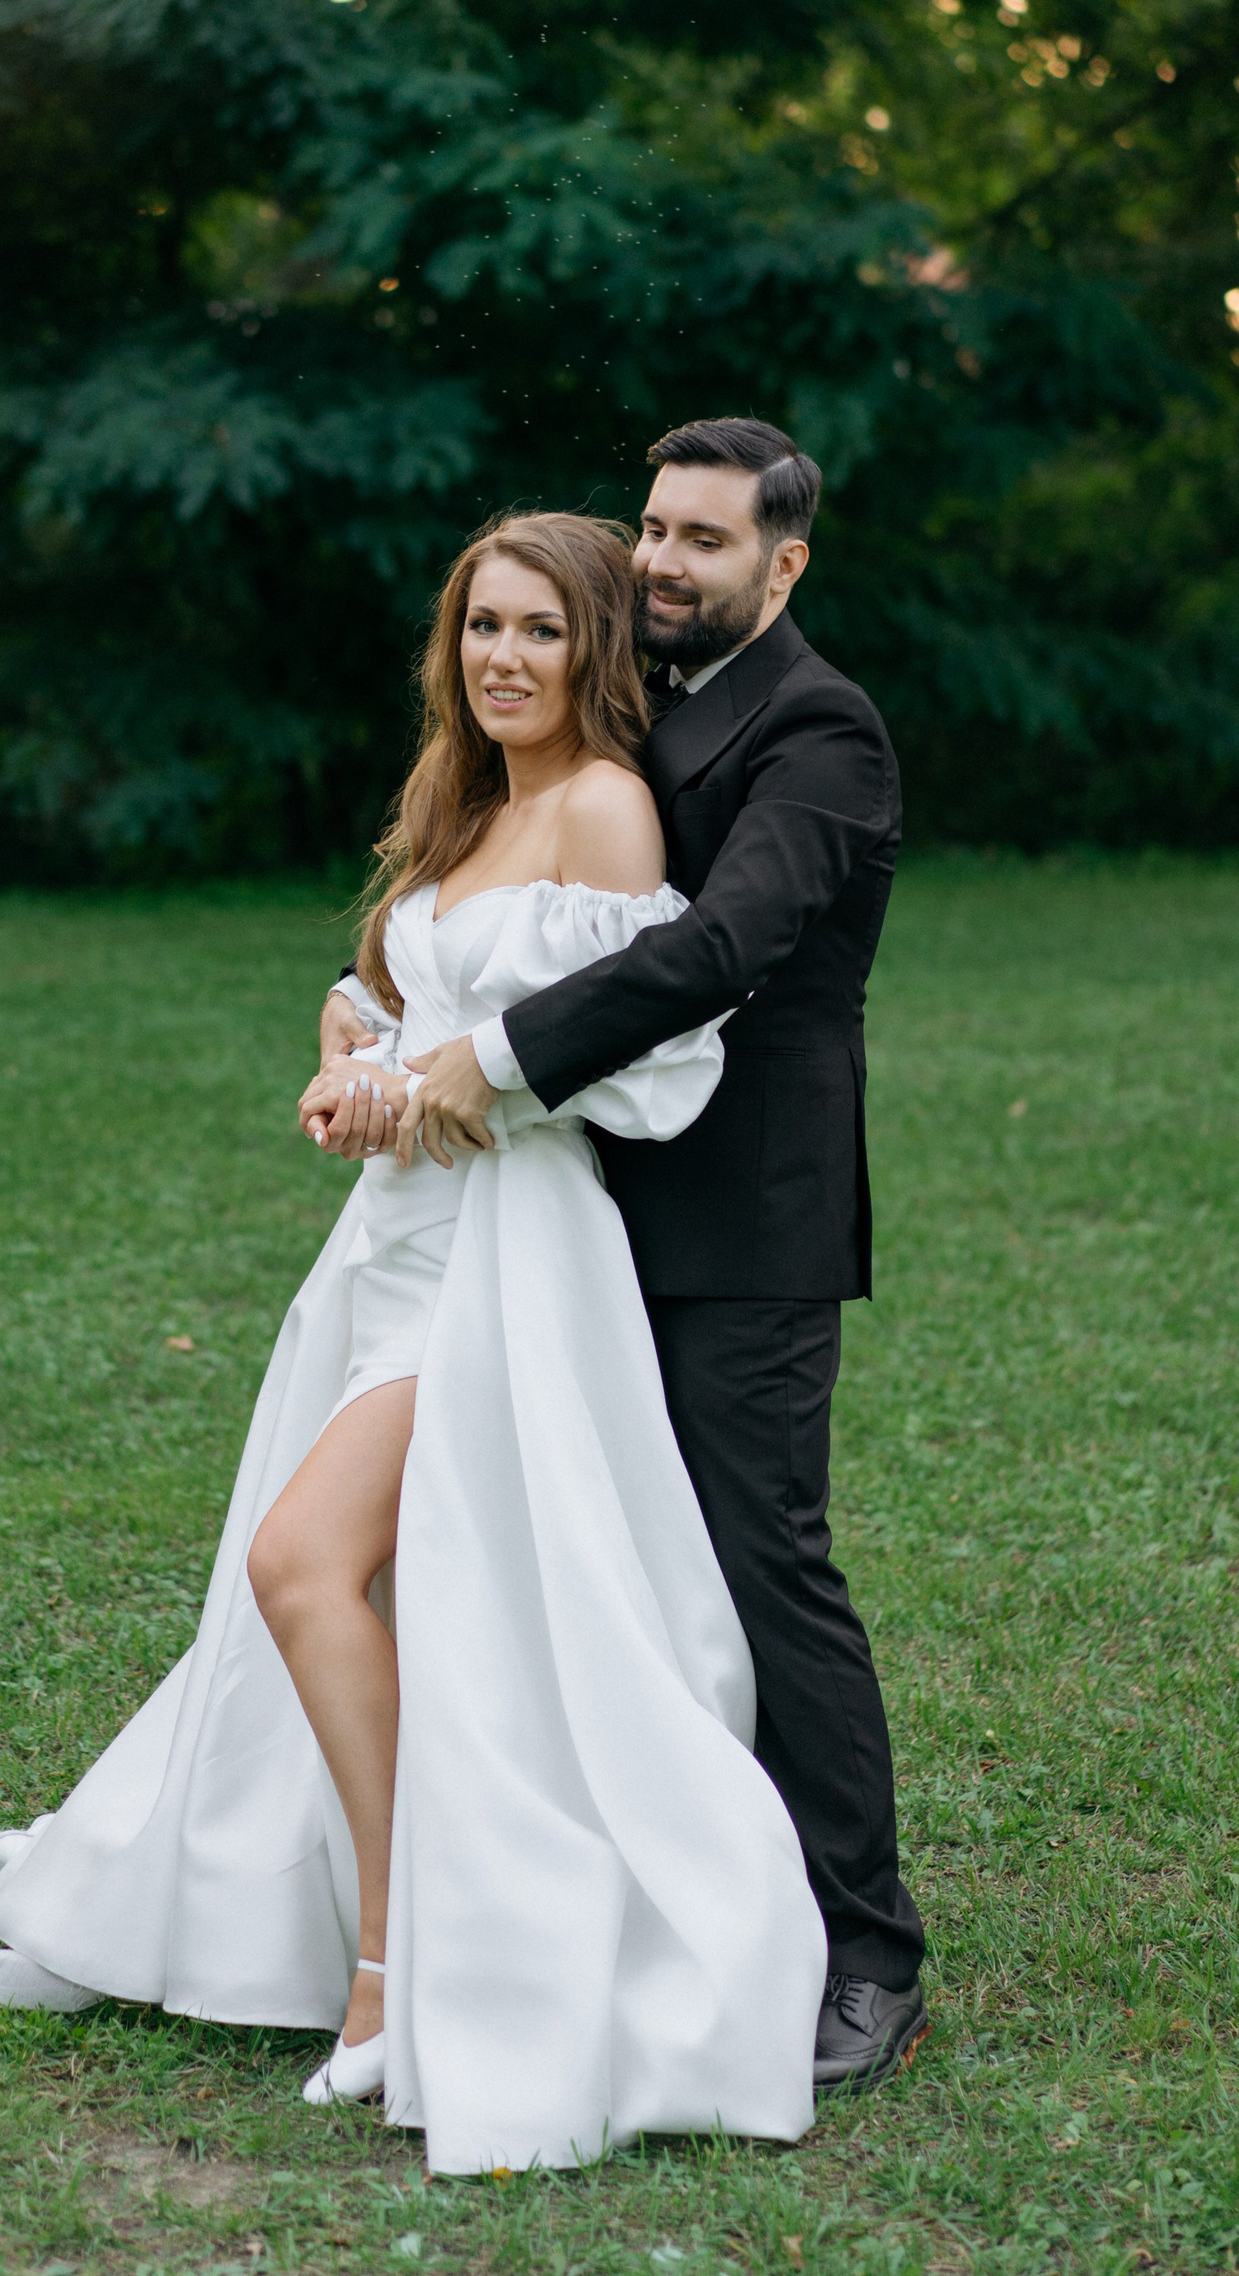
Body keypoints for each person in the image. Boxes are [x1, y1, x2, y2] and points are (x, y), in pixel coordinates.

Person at [0, 510, 828, 2178]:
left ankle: (392, 1958)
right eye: (483, 626)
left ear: (593, 648)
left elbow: (638, 1051)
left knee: (303, 1564)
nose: (505, 657)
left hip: (507, 1257)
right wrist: (350, 1057)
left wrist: (460, 1083)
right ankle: (386, 1928)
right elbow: (397, 997)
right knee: (367, 1587)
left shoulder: (604, 806)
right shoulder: (466, 798)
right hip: (392, 1249)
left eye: (540, 631)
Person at [321, 421, 927, 2094]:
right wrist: (374, 1014)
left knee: (756, 1565)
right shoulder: (635, 704)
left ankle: (868, 1952)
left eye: (703, 540)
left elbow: (728, 943)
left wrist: (494, 1061)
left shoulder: (820, 729)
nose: (661, 560)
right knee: (585, 1570)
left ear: (783, 565)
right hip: (564, 1217)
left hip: (740, 1221)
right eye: (653, 528)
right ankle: (617, 1899)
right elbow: (502, 901)